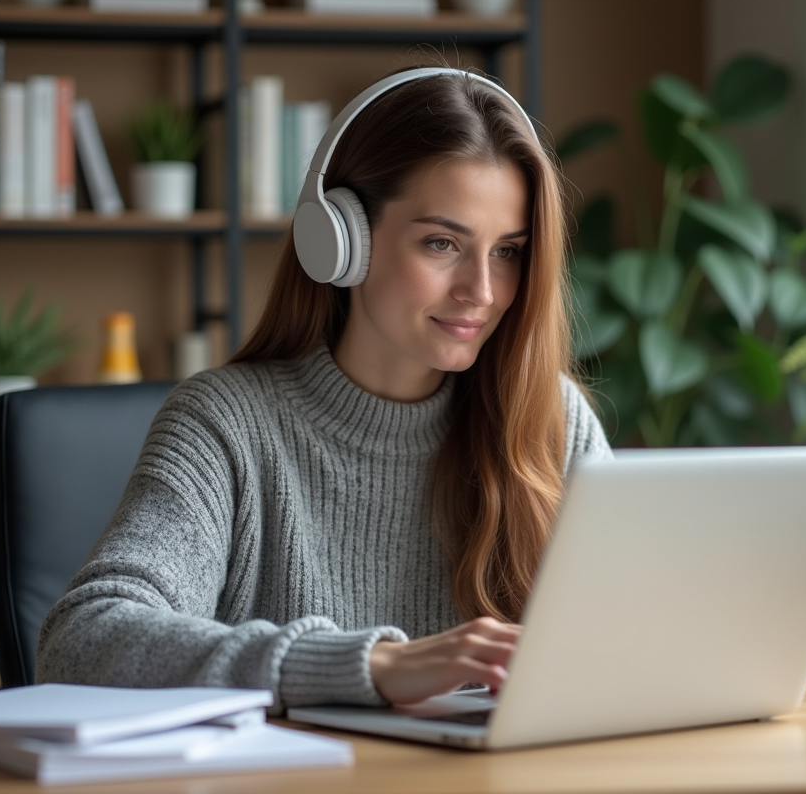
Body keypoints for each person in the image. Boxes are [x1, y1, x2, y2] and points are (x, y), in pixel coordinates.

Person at [35, 67, 612, 713]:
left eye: (508, 252)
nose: (481, 290)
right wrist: (368, 665)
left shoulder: (551, 419)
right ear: (341, 241)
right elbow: (80, 642)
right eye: (442, 243)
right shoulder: (227, 425)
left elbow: (641, 640)